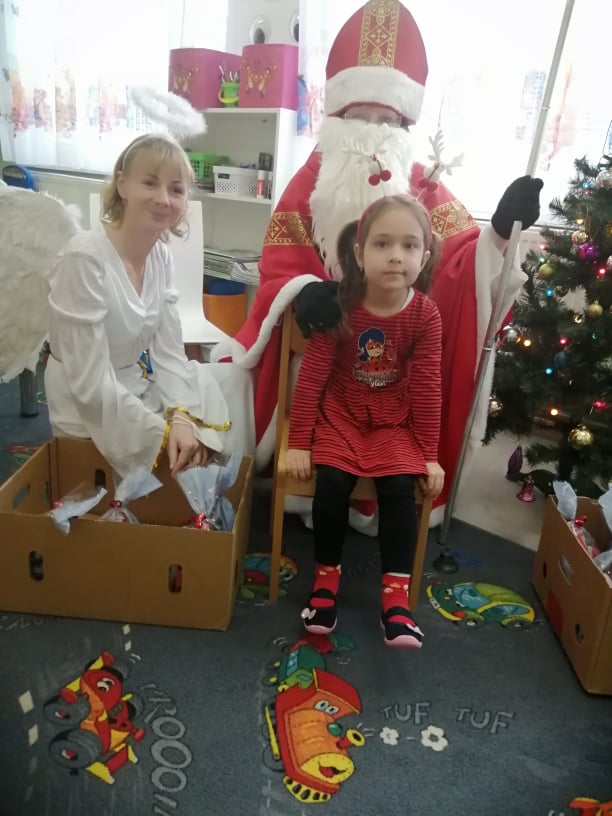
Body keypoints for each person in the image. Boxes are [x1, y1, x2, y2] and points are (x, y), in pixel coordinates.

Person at [212, 0, 543, 530]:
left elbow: (463, 262)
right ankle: (313, 495)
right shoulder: (310, 182)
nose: (372, 132)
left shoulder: (423, 185)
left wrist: (499, 233)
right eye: (358, 117)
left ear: (404, 125)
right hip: (326, 348)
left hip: (394, 355)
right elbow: (278, 265)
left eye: (386, 120)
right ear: (336, 118)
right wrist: (303, 290)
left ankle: (380, 497)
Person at [45, 132, 250, 479]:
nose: (164, 199)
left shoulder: (161, 257)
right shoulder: (83, 259)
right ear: (122, 184)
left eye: (176, 189)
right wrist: (165, 433)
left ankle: (228, 482)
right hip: (88, 406)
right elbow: (90, 384)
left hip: (134, 383)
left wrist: (181, 416)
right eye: (150, 183)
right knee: (189, 448)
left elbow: (168, 352)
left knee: (236, 379)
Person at [287, 194, 443, 648]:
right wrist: (298, 442)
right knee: (332, 482)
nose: (396, 256)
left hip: (392, 422)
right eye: (382, 244)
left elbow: (427, 386)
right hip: (341, 414)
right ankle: (325, 582)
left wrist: (429, 455)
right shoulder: (340, 305)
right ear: (359, 254)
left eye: (409, 246)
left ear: (424, 257)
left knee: (399, 489)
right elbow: (313, 376)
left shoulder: (426, 315)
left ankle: (395, 601)